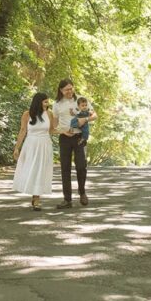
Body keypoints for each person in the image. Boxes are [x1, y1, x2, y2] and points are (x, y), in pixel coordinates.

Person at [52, 78, 97, 208]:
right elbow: (54, 124)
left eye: (71, 88)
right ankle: (67, 200)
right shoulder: (57, 104)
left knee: (81, 166)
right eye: (67, 89)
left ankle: (82, 192)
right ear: (61, 90)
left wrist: (85, 119)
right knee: (65, 168)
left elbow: (95, 115)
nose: (70, 91)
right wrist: (62, 131)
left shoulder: (81, 100)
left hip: (80, 137)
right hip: (65, 138)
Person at [12, 92, 54, 210]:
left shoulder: (49, 114)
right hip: (31, 144)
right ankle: (32, 191)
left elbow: (51, 130)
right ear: (38, 102)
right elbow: (23, 130)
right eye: (45, 101)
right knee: (32, 169)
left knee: (41, 170)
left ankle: (36, 198)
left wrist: (65, 131)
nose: (48, 103)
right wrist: (17, 148)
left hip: (45, 144)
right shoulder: (27, 114)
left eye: (48, 101)